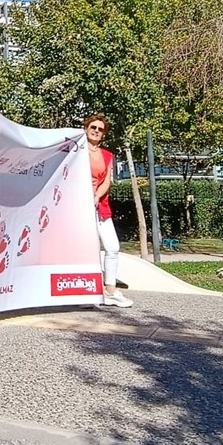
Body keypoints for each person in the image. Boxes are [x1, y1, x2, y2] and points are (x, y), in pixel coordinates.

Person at [85, 113, 132, 308]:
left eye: (100, 129)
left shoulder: (107, 155)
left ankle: (110, 291)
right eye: (93, 127)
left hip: (100, 207)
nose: (96, 131)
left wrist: (96, 196)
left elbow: (106, 181)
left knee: (112, 247)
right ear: (86, 129)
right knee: (86, 249)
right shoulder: (76, 150)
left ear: (103, 134)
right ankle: (85, 291)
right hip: (78, 205)